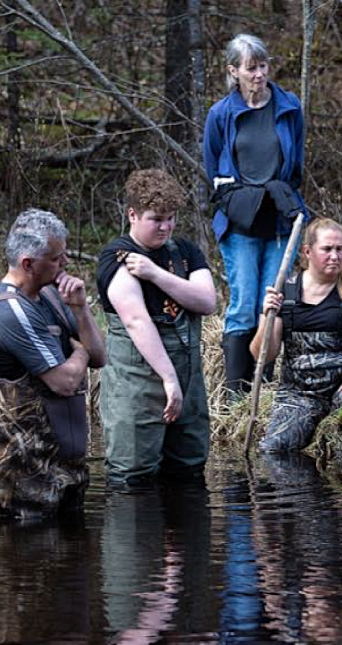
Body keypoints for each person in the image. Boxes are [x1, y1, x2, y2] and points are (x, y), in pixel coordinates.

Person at [0, 209, 106, 520]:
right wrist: (80, 352)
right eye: (56, 258)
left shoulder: (51, 294)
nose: (65, 264)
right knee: (26, 566)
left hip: (66, 472)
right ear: (28, 264)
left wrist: (81, 309)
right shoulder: (9, 312)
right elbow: (66, 382)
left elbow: (100, 356)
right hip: (25, 481)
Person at [203, 33, 309, 401]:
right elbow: (214, 170)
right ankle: (235, 398)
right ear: (234, 71)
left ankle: (262, 397)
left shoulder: (289, 106)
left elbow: (296, 163)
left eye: (263, 66)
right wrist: (237, 198)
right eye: (251, 68)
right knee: (244, 302)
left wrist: (284, 195)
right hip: (241, 221)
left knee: (272, 305)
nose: (259, 74)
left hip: (280, 219)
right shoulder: (221, 115)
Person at [95, 168, 216, 488]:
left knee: (188, 468)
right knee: (132, 475)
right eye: (156, 219)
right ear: (132, 215)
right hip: (137, 386)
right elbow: (136, 320)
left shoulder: (185, 253)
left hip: (187, 383)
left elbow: (206, 302)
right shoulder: (116, 257)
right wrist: (168, 378)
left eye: (171, 218)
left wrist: (155, 274)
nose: (166, 226)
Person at [251, 218, 342, 460]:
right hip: (300, 395)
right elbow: (262, 355)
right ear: (308, 251)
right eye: (327, 249)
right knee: (272, 451)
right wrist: (267, 316)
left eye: (339, 249)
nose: (335, 256)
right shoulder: (283, 291)